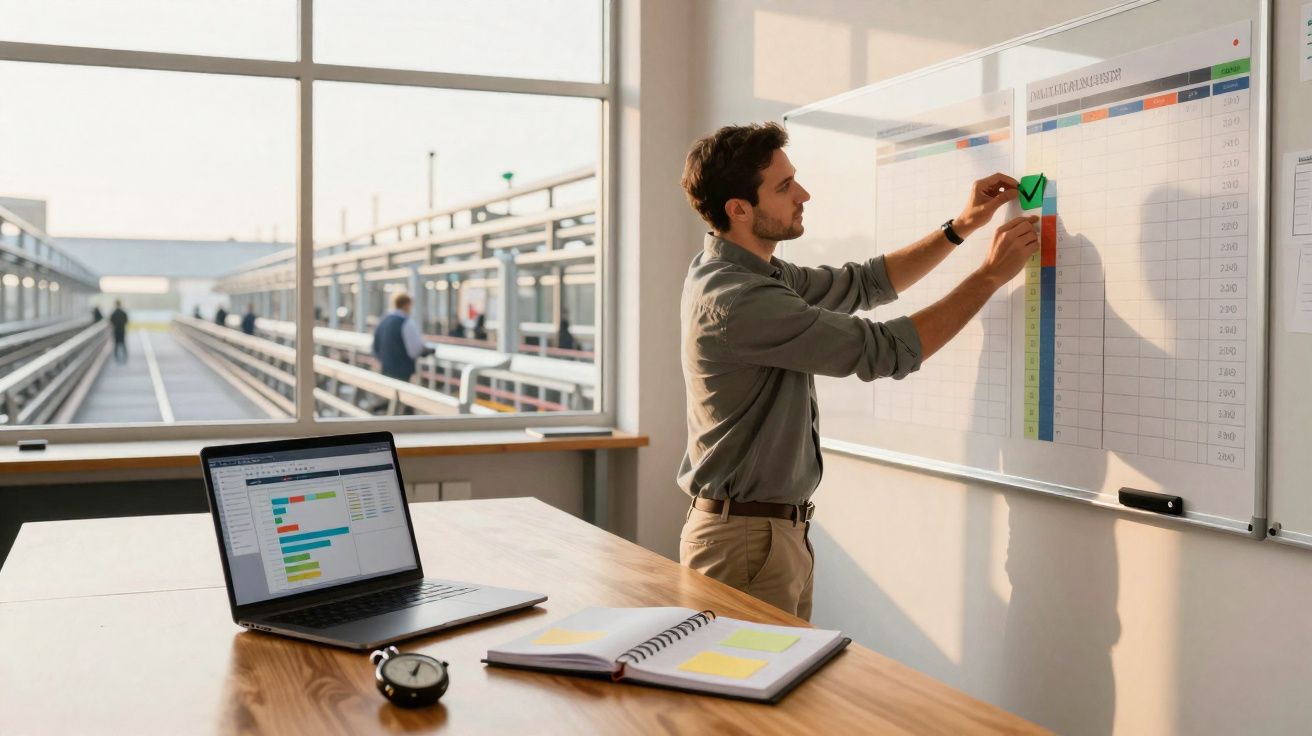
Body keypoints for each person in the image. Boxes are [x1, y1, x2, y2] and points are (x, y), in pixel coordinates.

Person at [676, 122, 1037, 620]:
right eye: (783, 188)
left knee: (781, 689)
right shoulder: (741, 299)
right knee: (740, 693)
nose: (803, 194)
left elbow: (863, 283)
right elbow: (886, 350)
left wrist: (961, 226)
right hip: (746, 543)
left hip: (772, 536)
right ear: (738, 209)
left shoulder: (754, 272)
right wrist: (990, 275)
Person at [373, 292, 435, 383]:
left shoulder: (383, 320)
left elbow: (375, 346)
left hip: (385, 368)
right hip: (402, 372)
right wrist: (429, 351)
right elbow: (415, 350)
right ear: (406, 305)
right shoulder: (406, 322)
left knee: (388, 394)